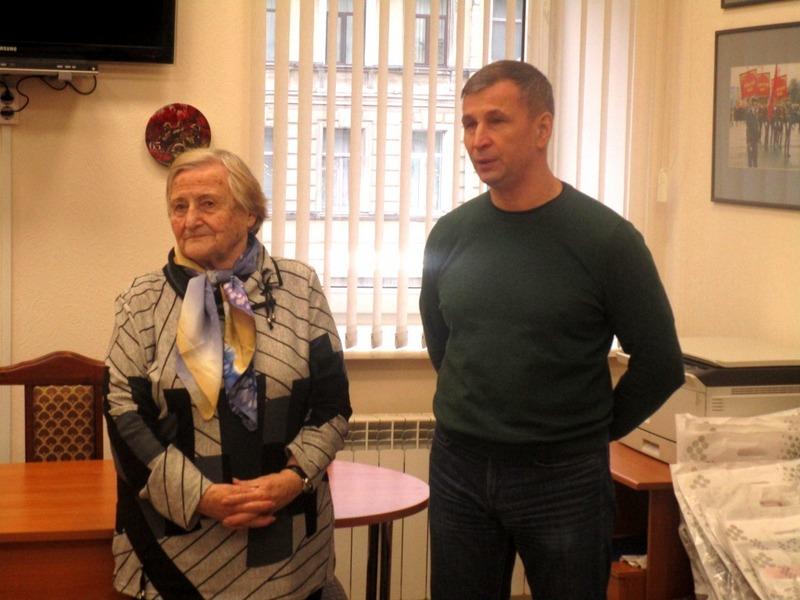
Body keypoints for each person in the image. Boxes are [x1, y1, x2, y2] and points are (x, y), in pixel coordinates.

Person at [419, 60, 684, 600]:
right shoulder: (450, 234)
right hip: (459, 466)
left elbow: (661, 363)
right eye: (469, 123)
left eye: (496, 120)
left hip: (563, 477)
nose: (477, 139)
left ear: (542, 129)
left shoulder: (606, 240)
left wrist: (591, 429)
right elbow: (442, 341)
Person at [104, 148, 352, 599]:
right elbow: (124, 416)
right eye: (179, 206)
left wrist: (293, 479)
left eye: (208, 203)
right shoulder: (140, 301)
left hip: (288, 549)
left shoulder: (300, 288)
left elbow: (332, 404)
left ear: (250, 213)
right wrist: (199, 496)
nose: (190, 219)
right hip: (175, 550)